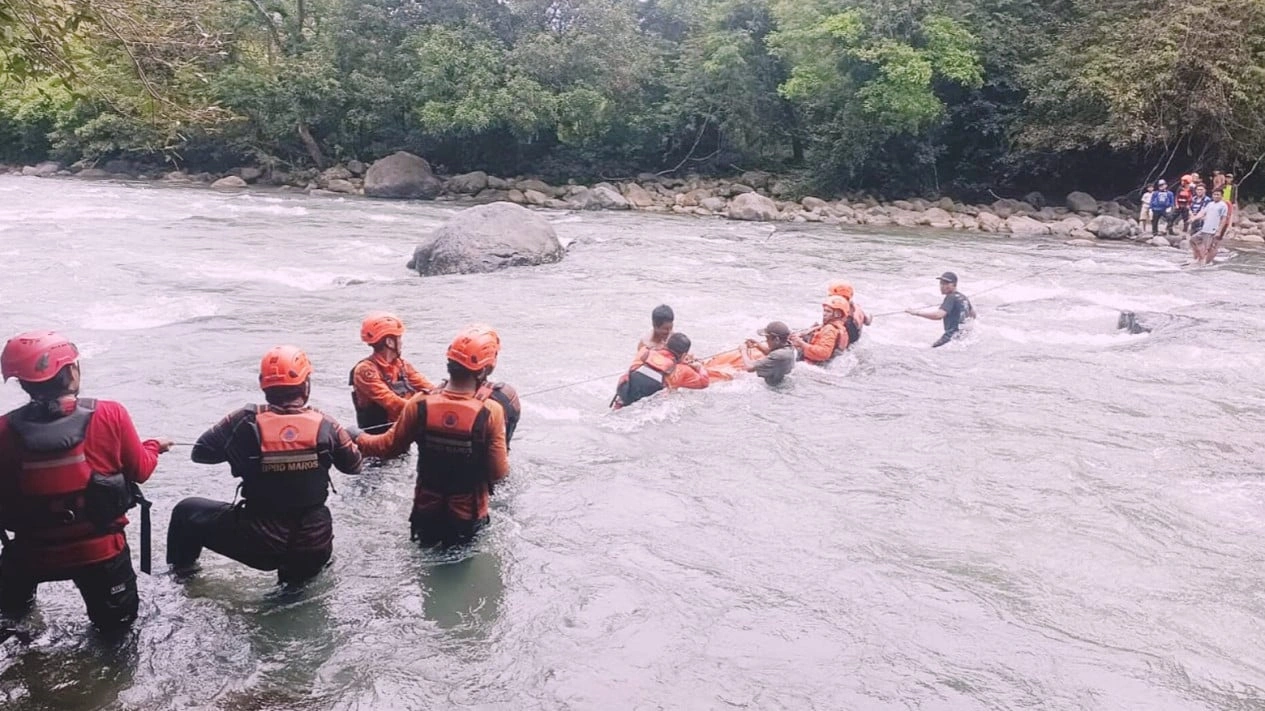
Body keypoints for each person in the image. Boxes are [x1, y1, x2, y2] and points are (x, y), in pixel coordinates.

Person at [0, 331, 171, 632]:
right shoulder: (110, 414)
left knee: (12, 625)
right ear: (70, 372)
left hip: (30, 554)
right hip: (102, 553)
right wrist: (154, 446)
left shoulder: (3, 430)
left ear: (23, 383)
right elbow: (141, 470)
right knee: (117, 636)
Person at [167, 346, 362, 585]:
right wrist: (352, 436)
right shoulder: (327, 424)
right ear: (306, 385)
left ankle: (183, 580)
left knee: (186, 511)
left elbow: (201, 453)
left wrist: (242, 452)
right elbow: (354, 466)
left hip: (260, 540)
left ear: (263, 384)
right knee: (294, 591)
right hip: (314, 544)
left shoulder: (243, 420)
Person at [354, 325, 509, 546]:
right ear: (485, 371)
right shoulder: (492, 411)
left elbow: (385, 447)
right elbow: (498, 472)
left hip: (425, 514)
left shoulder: (418, 404)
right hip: (468, 518)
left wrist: (356, 437)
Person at [349, 313, 433, 433]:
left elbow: (429, 388)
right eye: (399, 338)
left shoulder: (402, 365)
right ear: (389, 342)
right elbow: (392, 403)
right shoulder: (365, 371)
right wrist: (427, 410)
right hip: (377, 440)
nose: (401, 342)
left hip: (401, 432)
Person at [612, 332, 709, 409]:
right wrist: (699, 367)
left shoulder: (645, 352)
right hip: (649, 407)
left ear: (666, 344)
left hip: (625, 396)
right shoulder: (683, 370)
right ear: (683, 356)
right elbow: (704, 382)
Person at [907, 272, 976, 347]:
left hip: (950, 338)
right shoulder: (963, 297)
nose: (943, 286)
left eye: (946, 283)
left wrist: (916, 312)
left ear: (954, 284)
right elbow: (973, 315)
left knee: (931, 349)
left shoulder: (951, 298)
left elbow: (938, 315)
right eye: (941, 283)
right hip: (962, 337)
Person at [790, 296, 850, 364]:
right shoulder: (838, 327)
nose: (824, 314)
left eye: (828, 311)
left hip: (813, 363)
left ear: (838, 314)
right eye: (824, 310)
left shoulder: (830, 329)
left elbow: (823, 353)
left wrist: (801, 343)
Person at [743, 321, 797, 386]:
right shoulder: (789, 346)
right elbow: (772, 352)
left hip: (775, 389)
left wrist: (743, 350)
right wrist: (757, 345)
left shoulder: (778, 355)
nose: (766, 341)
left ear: (777, 339)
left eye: (767, 338)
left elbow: (749, 368)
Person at [1189, 190, 1230, 265]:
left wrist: (1219, 231)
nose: (1216, 196)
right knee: (1193, 240)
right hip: (1205, 228)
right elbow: (1202, 213)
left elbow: (1224, 219)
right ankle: (1200, 258)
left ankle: (1206, 262)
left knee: (1208, 247)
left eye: (1218, 194)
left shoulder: (1223, 205)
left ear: (1222, 196)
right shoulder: (1210, 204)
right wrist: (1194, 218)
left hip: (1212, 229)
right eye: (1214, 194)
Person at [828, 281, 872, 345]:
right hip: (855, 340)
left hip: (846, 341)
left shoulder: (840, 311)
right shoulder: (857, 307)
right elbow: (868, 322)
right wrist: (871, 316)